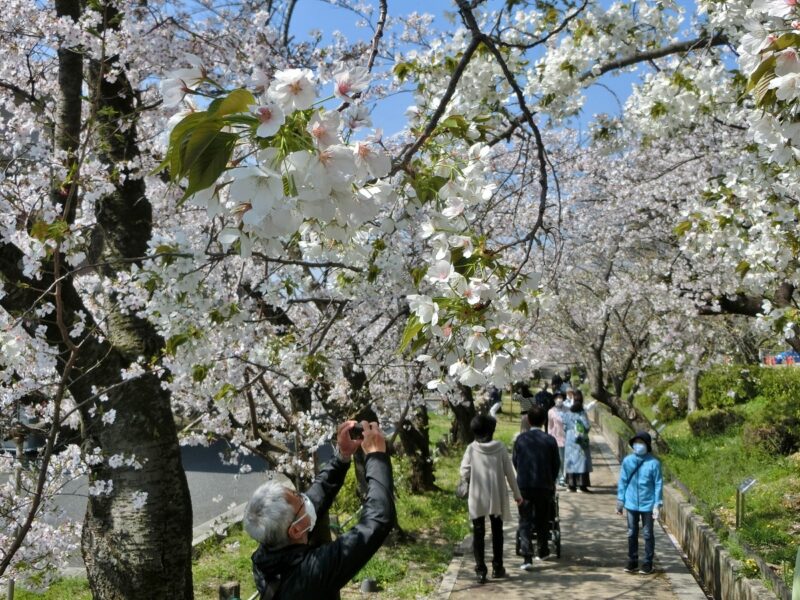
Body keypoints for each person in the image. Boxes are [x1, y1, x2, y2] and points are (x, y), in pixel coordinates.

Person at [244, 421, 395, 599]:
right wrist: (376, 457)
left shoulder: (268, 555)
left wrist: (342, 456)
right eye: (299, 498)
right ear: (296, 530)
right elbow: (377, 521)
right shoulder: (313, 572)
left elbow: (316, 496)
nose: (305, 498)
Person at [460, 415, 522, 584]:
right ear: (490, 431)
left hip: (477, 496)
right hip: (496, 496)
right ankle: (497, 567)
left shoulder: (471, 449)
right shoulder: (500, 447)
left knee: (478, 532)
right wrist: (517, 495)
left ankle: (480, 570)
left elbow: (464, 471)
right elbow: (510, 474)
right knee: (497, 531)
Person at [512, 406, 560, 570]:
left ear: (528, 420)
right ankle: (543, 550)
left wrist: (522, 474)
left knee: (525, 520)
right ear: (544, 421)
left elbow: (515, 461)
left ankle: (527, 557)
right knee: (543, 518)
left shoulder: (521, 439)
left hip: (524, 486)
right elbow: (556, 464)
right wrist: (551, 479)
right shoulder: (550, 440)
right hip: (544, 485)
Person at [616, 431, 663, 575]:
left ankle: (648, 562)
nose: (638, 445)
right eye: (636, 442)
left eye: (641, 443)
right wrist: (620, 500)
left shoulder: (654, 463)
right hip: (631, 503)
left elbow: (658, 484)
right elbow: (623, 481)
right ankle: (632, 561)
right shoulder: (628, 461)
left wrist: (657, 504)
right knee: (631, 532)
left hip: (648, 504)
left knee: (648, 533)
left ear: (647, 445)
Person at [561, 390, 593, 492]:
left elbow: (564, 426)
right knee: (581, 461)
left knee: (571, 460)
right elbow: (587, 426)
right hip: (580, 439)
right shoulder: (582, 413)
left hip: (570, 438)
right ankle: (581, 485)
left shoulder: (568, 412)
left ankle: (571, 485)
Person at [547, 394, 567, 486]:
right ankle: (559, 477)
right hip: (556, 437)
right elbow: (550, 426)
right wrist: (549, 438)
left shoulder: (567, 410)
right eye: (557, 398)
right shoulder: (551, 411)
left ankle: (564, 476)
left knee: (565, 459)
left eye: (561, 398)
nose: (559, 399)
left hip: (566, 437)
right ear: (554, 400)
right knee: (559, 459)